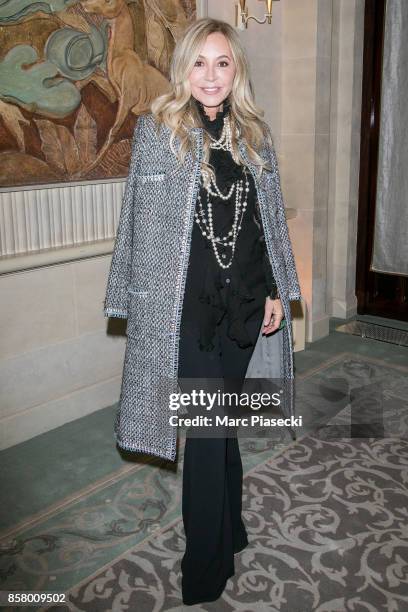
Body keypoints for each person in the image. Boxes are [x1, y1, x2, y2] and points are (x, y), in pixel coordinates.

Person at [103, 16, 302, 607]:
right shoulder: (157, 131)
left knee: (226, 426)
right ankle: (205, 570)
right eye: (199, 63)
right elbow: (139, 225)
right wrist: (135, 299)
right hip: (185, 315)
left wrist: (273, 290)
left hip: (242, 306)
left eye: (222, 63)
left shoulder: (254, 134)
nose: (210, 76)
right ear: (182, 68)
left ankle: (232, 529)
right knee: (207, 434)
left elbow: (266, 224)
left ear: (235, 70)